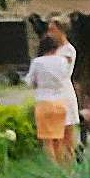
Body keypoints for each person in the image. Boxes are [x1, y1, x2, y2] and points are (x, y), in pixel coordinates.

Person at [24, 35, 70, 164]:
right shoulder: (63, 61)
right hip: (60, 102)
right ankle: (62, 167)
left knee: (47, 140)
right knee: (59, 139)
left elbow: (29, 81)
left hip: (44, 102)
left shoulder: (38, 62)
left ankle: (52, 167)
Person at [46, 16, 80, 159]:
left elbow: (60, 70)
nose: (50, 34)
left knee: (66, 133)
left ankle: (68, 162)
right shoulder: (54, 50)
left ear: (61, 31)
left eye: (53, 30)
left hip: (63, 93)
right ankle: (58, 162)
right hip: (52, 93)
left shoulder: (68, 50)